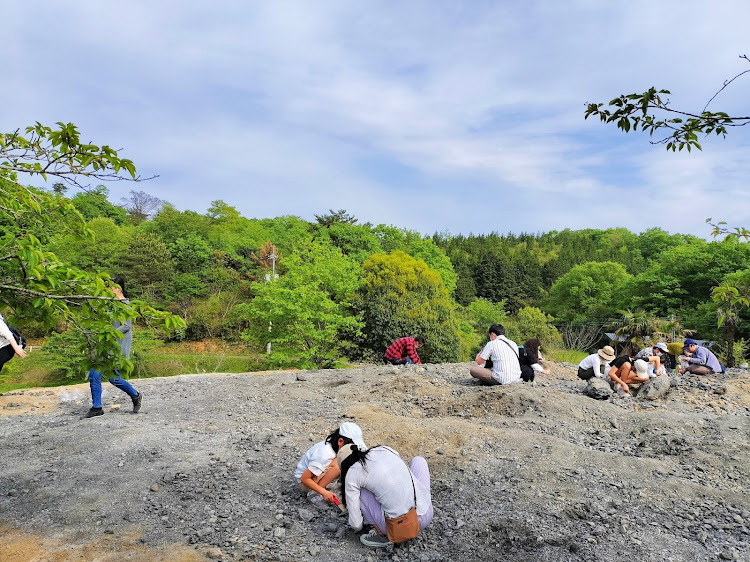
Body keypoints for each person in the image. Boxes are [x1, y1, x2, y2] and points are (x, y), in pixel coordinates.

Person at [338, 443, 433, 548]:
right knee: (419, 461)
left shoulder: (353, 472)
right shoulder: (384, 449)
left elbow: (356, 525)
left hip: (400, 528)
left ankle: (382, 535)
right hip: (426, 513)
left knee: (361, 492)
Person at [85, 280, 142, 418]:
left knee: (114, 379)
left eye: (110, 288)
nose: (108, 291)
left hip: (117, 347)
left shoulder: (126, 305)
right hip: (106, 346)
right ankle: (97, 407)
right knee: (95, 374)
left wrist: (110, 334)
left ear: (117, 289)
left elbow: (126, 326)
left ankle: (135, 395)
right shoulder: (111, 306)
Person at [294, 422, 366, 504]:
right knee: (338, 465)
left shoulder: (334, 445)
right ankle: (314, 492)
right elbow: (304, 478)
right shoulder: (324, 455)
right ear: (340, 441)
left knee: (342, 460)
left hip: (314, 475)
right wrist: (323, 492)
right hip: (304, 482)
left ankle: (326, 483)